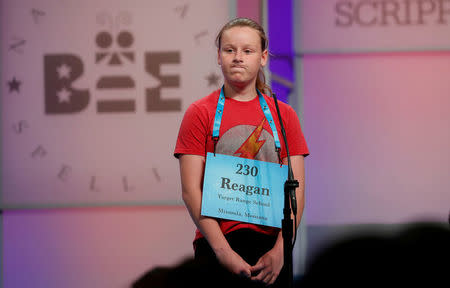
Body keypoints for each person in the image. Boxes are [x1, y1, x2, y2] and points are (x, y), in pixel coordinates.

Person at [174, 17, 309, 287]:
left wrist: (281, 250)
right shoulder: (200, 113)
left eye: (247, 51)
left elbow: (296, 191)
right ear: (218, 56)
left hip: (273, 250)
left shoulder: (285, 116)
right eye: (229, 50)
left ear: (263, 57)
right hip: (217, 246)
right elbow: (191, 191)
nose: (238, 58)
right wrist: (224, 253)